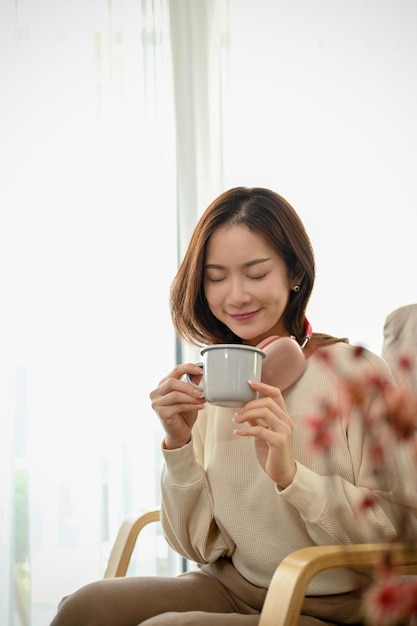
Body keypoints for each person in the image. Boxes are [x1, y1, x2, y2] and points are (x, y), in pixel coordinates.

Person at [49, 187, 417, 626]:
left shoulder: (354, 375)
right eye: (216, 277)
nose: (236, 296)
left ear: (295, 272)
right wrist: (178, 443)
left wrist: (291, 476)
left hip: (332, 605)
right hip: (230, 587)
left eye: (256, 273)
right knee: (84, 609)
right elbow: (199, 548)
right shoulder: (218, 380)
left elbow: (400, 532)